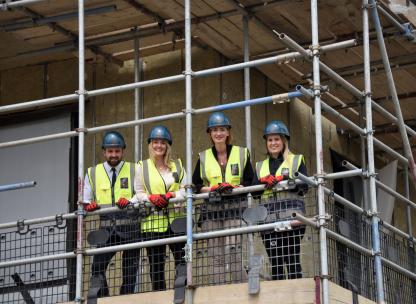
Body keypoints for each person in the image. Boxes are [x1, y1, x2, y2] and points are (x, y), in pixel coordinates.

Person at [192, 112, 254, 284]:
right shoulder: (203, 156)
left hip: (234, 209)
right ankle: (218, 291)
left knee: (233, 250)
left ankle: (241, 289)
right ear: (210, 134)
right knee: (216, 255)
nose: (218, 133)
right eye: (214, 130)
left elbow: (250, 181)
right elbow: (195, 185)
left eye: (221, 129)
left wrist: (236, 188)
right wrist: (213, 188)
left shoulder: (241, 153)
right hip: (211, 212)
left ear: (228, 132)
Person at [83, 131, 140, 297]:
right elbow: (85, 199)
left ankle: (126, 299)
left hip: (131, 229)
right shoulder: (93, 172)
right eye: (110, 151)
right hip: (106, 229)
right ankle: (105, 298)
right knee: (97, 268)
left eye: (117, 151)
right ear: (104, 152)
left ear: (123, 151)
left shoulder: (134, 169)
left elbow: (141, 193)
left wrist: (130, 201)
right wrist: (89, 206)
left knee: (130, 272)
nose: (113, 154)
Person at [132, 125, 186, 291]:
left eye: (162, 142)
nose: (159, 146)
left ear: (168, 145)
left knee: (182, 260)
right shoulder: (142, 166)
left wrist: (172, 196)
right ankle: (160, 295)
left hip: (177, 220)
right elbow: (138, 192)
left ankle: (181, 292)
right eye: (155, 142)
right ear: (150, 144)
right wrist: (150, 198)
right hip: (153, 223)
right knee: (156, 265)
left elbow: (186, 189)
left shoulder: (177, 165)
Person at [255, 120, 307, 280]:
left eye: (276, 139)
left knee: (292, 262)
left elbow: (304, 186)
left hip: (291, 221)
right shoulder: (260, 165)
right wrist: (262, 182)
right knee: (276, 264)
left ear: (284, 140)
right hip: (269, 223)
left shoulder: (296, 160)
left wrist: (284, 179)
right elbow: (254, 192)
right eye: (270, 140)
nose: (273, 143)